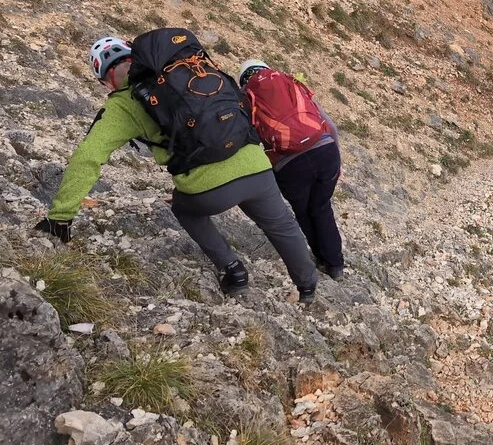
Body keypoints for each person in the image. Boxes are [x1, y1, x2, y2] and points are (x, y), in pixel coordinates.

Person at [36, 34, 319, 303]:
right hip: (255, 164)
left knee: (183, 208)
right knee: (281, 223)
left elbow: (88, 157)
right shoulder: (185, 72)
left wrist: (61, 216)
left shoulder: (123, 104)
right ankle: (307, 289)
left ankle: (233, 271)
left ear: (106, 81)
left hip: (208, 188)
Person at [239, 60, 345, 280]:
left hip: (289, 166)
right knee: (322, 207)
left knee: (303, 212)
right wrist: (337, 161)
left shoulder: (247, 98)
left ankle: (322, 260)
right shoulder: (290, 83)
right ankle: (336, 265)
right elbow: (330, 125)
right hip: (325, 152)